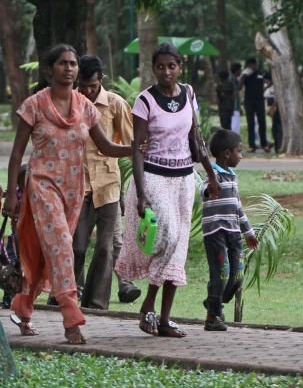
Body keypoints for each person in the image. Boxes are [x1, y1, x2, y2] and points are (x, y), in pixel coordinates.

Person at [2, 44, 132, 344]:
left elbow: (106, 147)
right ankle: (72, 318)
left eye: (73, 63)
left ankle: (22, 307)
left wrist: (135, 148)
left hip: (74, 190)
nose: (69, 68)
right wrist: (11, 194)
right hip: (42, 187)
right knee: (62, 246)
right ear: (50, 69)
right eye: (63, 63)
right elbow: (17, 152)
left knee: (48, 254)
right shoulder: (34, 105)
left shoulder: (85, 106)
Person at [116, 42, 221, 338]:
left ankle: (163, 319)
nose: (166, 72)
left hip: (184, 179)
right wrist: (140, 192)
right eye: (160, 66)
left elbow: (195, 137)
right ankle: (148, 302)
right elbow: (137, 149)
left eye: (171, 66)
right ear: (153, 68)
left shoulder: (188, 94)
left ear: (180, 67)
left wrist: (211, 176)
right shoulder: (144, 100)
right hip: (154, 177)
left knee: (179, 246)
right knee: (169, 236)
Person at [72, 55, 141, 310]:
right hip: (78, 186)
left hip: (108, 185)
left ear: (101, 80)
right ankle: (65, 293)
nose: (87, 91)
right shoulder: (71, 103)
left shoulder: (115, 104)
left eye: (92, 85)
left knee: (104, 249)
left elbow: (131, 145)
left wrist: (139, 187)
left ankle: (97, 304)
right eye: (83, 86)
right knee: (76, 247)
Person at [200, 129, 259, 331]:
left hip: (233, 233)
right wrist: (209, 187)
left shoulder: (232, 177)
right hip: (215, 233)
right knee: (222, 274)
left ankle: (213, 301)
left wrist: (248, 232)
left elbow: (237, 207)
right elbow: (203, 191)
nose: (241, 156)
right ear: (227, 153)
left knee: (238, 274)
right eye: (239, 151)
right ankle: (212, 316)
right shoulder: (212, 174)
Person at [2, 166, 24, 309]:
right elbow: (5, 211)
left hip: (27, 240)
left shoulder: (35, 196)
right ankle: (8, 296)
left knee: (22, 270)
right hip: (15, 239)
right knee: (10, 268)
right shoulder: (15, 195)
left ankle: (20, 299)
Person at [239, 57, 270, 153]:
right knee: (250, 123)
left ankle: (264, 145)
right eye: (249, 65)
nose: (251, 67)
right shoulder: (246, 74)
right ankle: (252, 146)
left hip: (260, 100)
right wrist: (243, 75)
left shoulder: (261, 72)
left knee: (262, 123)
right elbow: (239, 87)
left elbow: (270, 79)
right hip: (249, 101)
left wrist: (265, 89)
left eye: (253, 65)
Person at [264, 73, 282, 154]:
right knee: (275, 130)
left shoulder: (276, 88)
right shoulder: (270, 88)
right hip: (276, 110)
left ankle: (278, 147)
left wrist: (272, 108)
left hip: (278, 110)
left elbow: (277, 99)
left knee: (277, 130)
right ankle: (277, 147)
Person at [230, 63, 242, 135]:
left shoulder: (236, 80)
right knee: (234, 125)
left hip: (236, 106)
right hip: (233, 106)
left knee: (236, 125)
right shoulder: (231, 80)